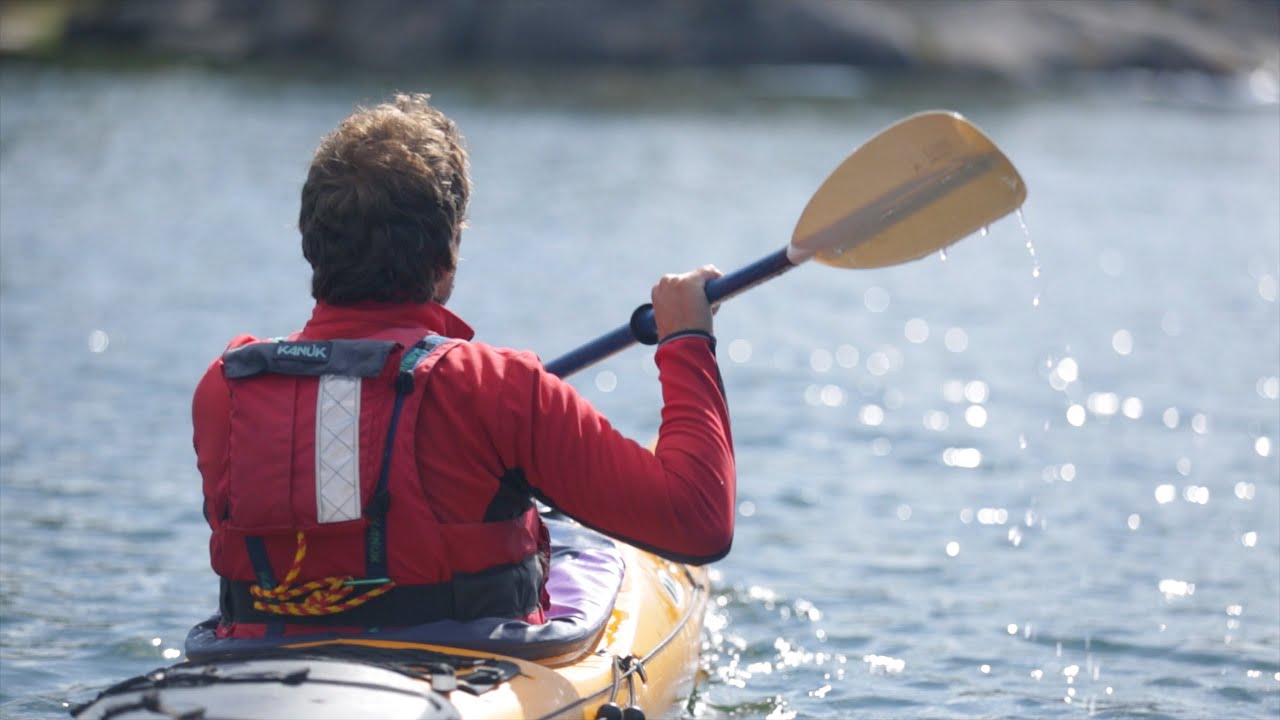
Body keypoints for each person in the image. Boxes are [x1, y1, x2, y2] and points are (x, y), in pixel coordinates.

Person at [191, 93, 736, 639]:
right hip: (465, 666)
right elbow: (699, 521)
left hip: (254, 661)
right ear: (447, 254)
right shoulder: (497, 389)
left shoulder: (226, 386)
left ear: (312, 245)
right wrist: (686, 340)